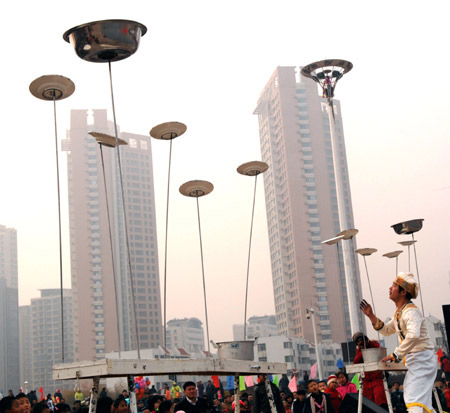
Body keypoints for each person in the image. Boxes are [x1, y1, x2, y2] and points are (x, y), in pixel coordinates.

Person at [360, 272, 437, 413]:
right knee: (419, 403)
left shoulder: (411, 312)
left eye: (394, 286)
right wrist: (371, 315)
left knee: (413, 401)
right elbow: (387, 330)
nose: (390, 288)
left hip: (422, 359)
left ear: (403, 292)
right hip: (417, 360)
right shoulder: (400, 312)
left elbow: (413, 336)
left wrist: (395, 354)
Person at [352, 331, 388, 408]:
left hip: (377, 378)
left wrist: (367, 344)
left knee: (380, 400)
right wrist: (361, 350)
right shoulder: (359, 350)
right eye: (358, 341)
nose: (360, 342)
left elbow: (377, 350)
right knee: (368, 403)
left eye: (361, 339)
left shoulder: (373, 345)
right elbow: (356, 362)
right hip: (366, 380)